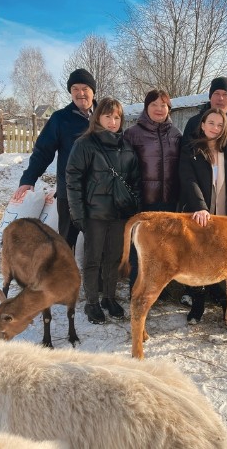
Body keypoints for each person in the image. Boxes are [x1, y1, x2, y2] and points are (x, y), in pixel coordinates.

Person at [66, 97, 141, 324]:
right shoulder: (85, 144)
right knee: (93, 259)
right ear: (98, 117)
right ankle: (91, 303)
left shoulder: (126, 146)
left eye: (117, 117)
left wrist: (133, 206)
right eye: (108, 116)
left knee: (113, 258)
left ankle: (109, 298)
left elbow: (135, 181)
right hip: (94, 214)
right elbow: (73, 180)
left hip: (120, 215)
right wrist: (78, 214)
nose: (112, 121)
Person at [180, 76, 227, 307]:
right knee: (197, 250)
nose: (215, 127)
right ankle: (196, 294)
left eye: (220, 125)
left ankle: (219, 289)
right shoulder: (192, 148)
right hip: (200, 210)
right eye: (211, 123)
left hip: (224, 209)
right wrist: (199, 207)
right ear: (202, 124)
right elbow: (188, 179)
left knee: (221, 249)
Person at [13, 68, 97, 249]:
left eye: (85, 88)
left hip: (100, 194)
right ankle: (63, 276)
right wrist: (29, 178)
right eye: (75, 89)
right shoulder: (60, 118)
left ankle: (94, 277)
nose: (80, 93)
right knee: (66, 242)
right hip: (70, 193)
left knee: (97, 243)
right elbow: (43, 151)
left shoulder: (104, 117)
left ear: (93, 91)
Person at [124, 88, 182, 295]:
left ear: (169, 108)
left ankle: (159, 290)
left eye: (163, 105)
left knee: (163, 247)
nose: (159, 109)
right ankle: (137, 290)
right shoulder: (132, 134)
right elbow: (125, 170)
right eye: (154, 105)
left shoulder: (176, 134)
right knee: (139, 249)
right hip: (143, 202)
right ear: (146, 107)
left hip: (168, 202)